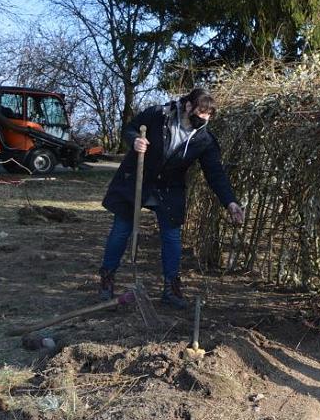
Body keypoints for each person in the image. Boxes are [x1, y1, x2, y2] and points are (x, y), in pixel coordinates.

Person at [98, 88, 244, 309]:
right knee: (121, 229)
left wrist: (230, 202)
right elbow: (129, 129)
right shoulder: (158, 115)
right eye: (200, 113)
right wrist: (135, 140)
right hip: (138, 179)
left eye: (208, 116)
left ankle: (171, 288)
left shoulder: (203, 139)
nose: (203, 119)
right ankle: (107, 281)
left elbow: (215, 173)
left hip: (169, 188)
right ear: (188, 106)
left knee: (172, 236)